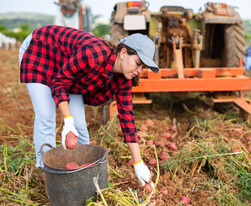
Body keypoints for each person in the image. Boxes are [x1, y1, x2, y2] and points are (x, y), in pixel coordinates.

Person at [18, 24, 159, 188]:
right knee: (46, 117)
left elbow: (127, 118)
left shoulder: (123, 79)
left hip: (68, 69)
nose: (139, 70)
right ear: (123, 53)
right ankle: (46, 175)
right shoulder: (94, 53)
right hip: (41, 51)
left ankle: (85, 172)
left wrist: (138, 163)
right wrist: (67, 121)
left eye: (143, 67)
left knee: (79, 125)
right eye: (138, 63)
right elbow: (59, 83)